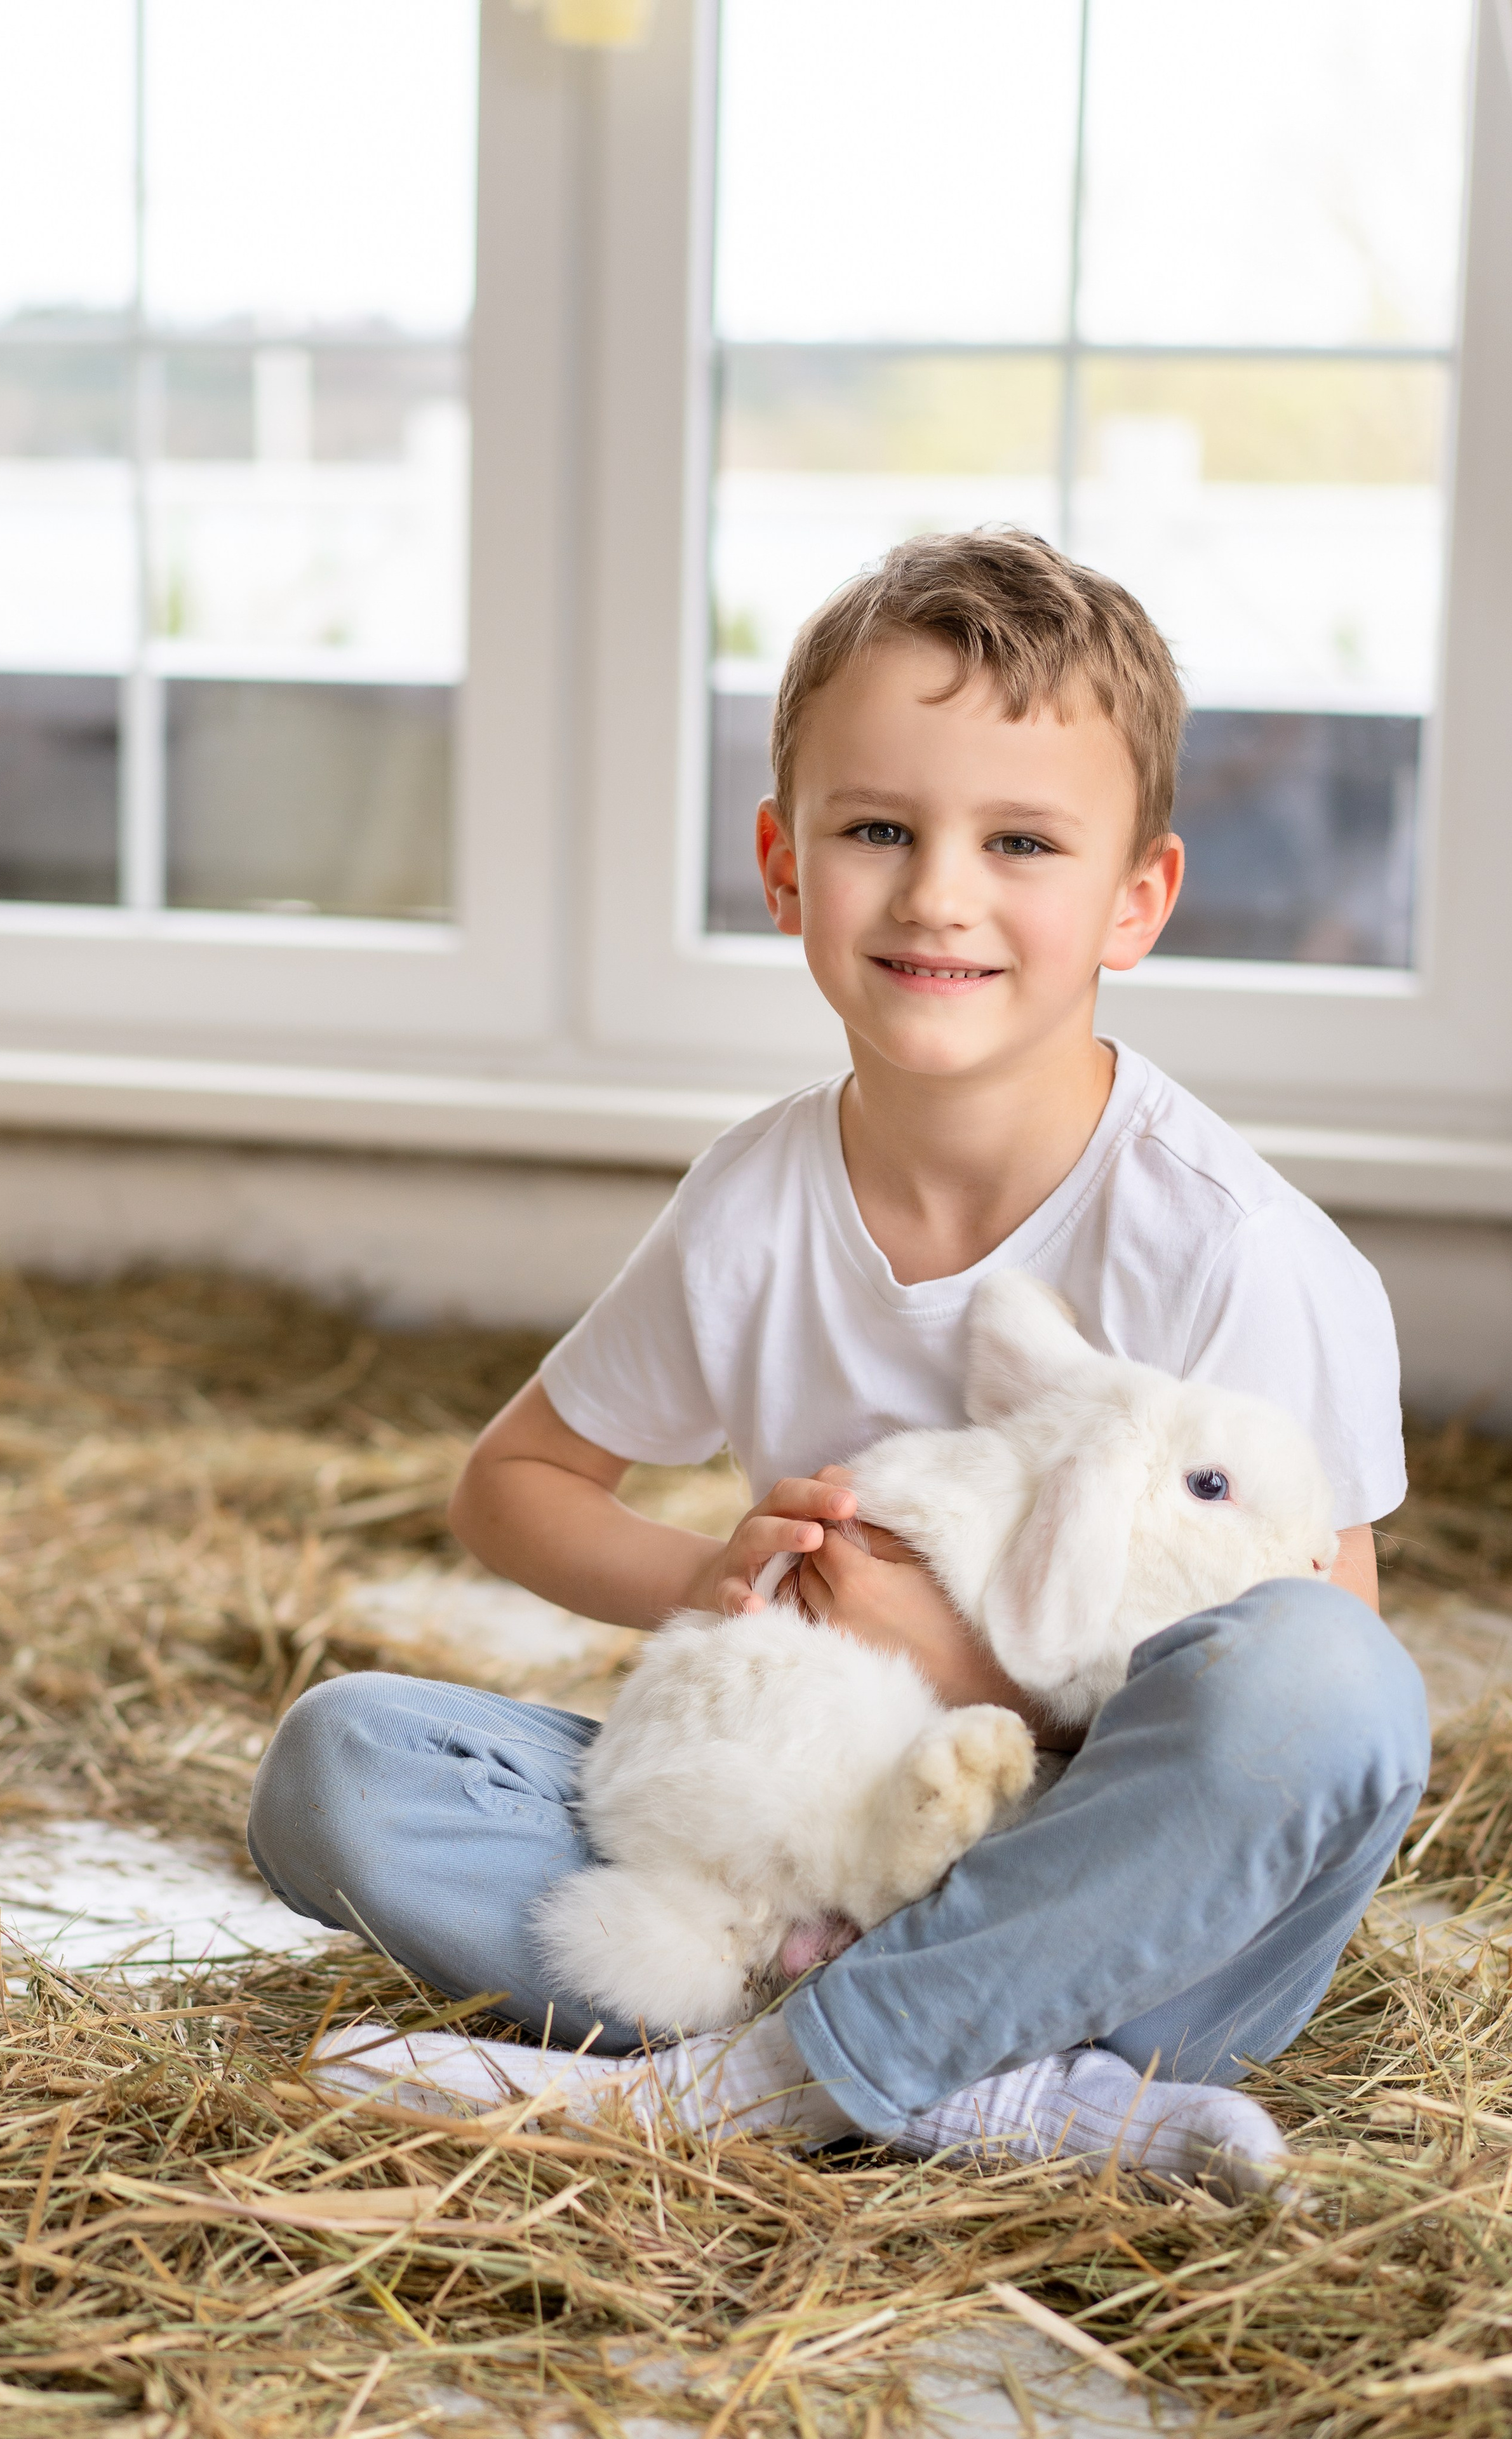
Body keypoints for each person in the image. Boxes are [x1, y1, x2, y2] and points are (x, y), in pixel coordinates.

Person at [248, 530, 1429, 2196]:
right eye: (878, 829)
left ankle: (755, 2083)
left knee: (1325, 1681)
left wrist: (968, 1666)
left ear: (1137, 899)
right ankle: (979, 2088)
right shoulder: (756, 1201)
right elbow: (513, 1486)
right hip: (806, 1839)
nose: (939, 892)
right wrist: (711, 1578)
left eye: (1021, 842)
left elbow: (1313, 1679)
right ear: (784, 864)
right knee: (345, 1765)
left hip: (1123, 1914)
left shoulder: (1226, 1247)